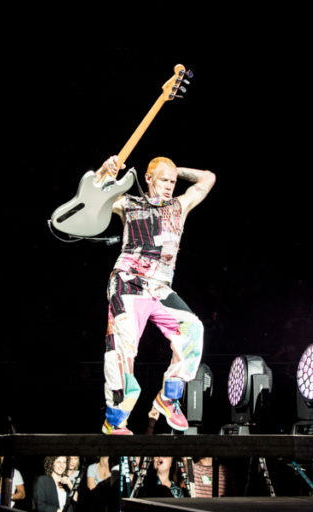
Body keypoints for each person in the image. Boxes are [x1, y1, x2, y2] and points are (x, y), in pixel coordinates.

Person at [98, 154, 216, 435]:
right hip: (129, 282)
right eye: (164, 180)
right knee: (123, 348)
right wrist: (105, 171)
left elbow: (208, 177)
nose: (169, 186)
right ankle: (115, 419)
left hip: (160, 287)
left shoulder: (179, 206)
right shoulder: (128, 203)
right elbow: (94, 197)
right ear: (148, 179)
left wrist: (175, 169)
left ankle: (169, 397)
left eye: (173, 182)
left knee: (192, 329)